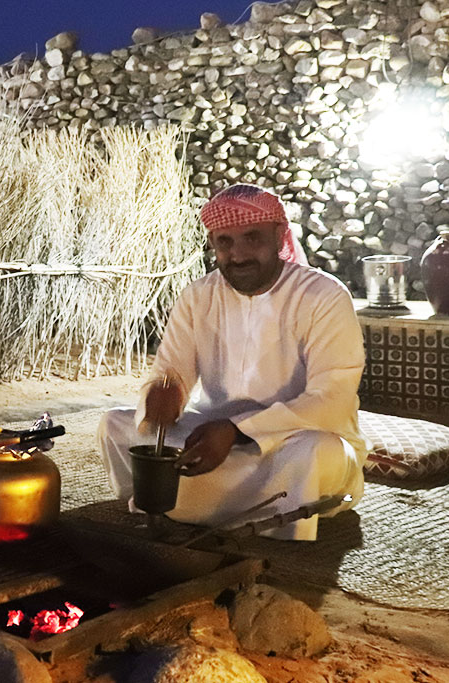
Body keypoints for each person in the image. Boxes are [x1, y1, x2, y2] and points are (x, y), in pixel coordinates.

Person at [97, 184, 367, 541]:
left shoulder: (323, 295)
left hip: (290, 444)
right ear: (213, 245)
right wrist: (164, 395)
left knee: (317, 453)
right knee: (115, 424)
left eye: (252, 238)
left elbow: (331, 400)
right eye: (224, 242)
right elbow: (170, 371)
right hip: (208, 443)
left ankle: (184, 503)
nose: (238, 255)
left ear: (278, 236)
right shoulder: (198, 296)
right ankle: (238, 508)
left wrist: (238, 430)